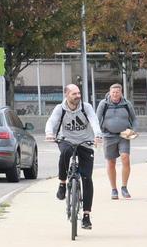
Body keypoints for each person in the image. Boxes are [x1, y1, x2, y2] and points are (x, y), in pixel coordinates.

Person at [45, 83, 103, 231]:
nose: (78, 96)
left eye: (79, 93)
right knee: (65, 153)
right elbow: (51, 122)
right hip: (67, 140)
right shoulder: (60, 109)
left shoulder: (86, 107)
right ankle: (62, 183)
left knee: (87, 178)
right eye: (74, 94)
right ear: (66, 95)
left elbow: (94, 121)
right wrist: (49, 133)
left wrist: (97, 135)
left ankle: (86, 216)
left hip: (85, 142)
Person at [96, 83, 137, 199]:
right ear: (109, 93)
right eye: (113, 92)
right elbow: (96, 120)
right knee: (111, 162)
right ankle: (114, 189)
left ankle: (124, 187)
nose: (115, 94)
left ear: (121, 93)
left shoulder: (126, 104)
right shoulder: (103, 104)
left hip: (124, 136)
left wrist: (133, 130)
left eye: (117, 92)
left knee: (125, 158)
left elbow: (134, 120)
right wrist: (97, 135)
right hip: (108, 136)